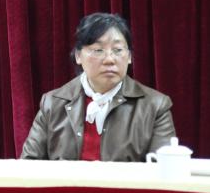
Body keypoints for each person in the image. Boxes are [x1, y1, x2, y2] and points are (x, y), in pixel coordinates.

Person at [21, 12, 175, 161]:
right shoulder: (53, 103)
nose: (109, 59)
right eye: (98, 50)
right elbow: (28, 166)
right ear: (78, 56)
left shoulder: (155, 106)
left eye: (118, 50)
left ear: (129, 57)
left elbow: (164, 170)